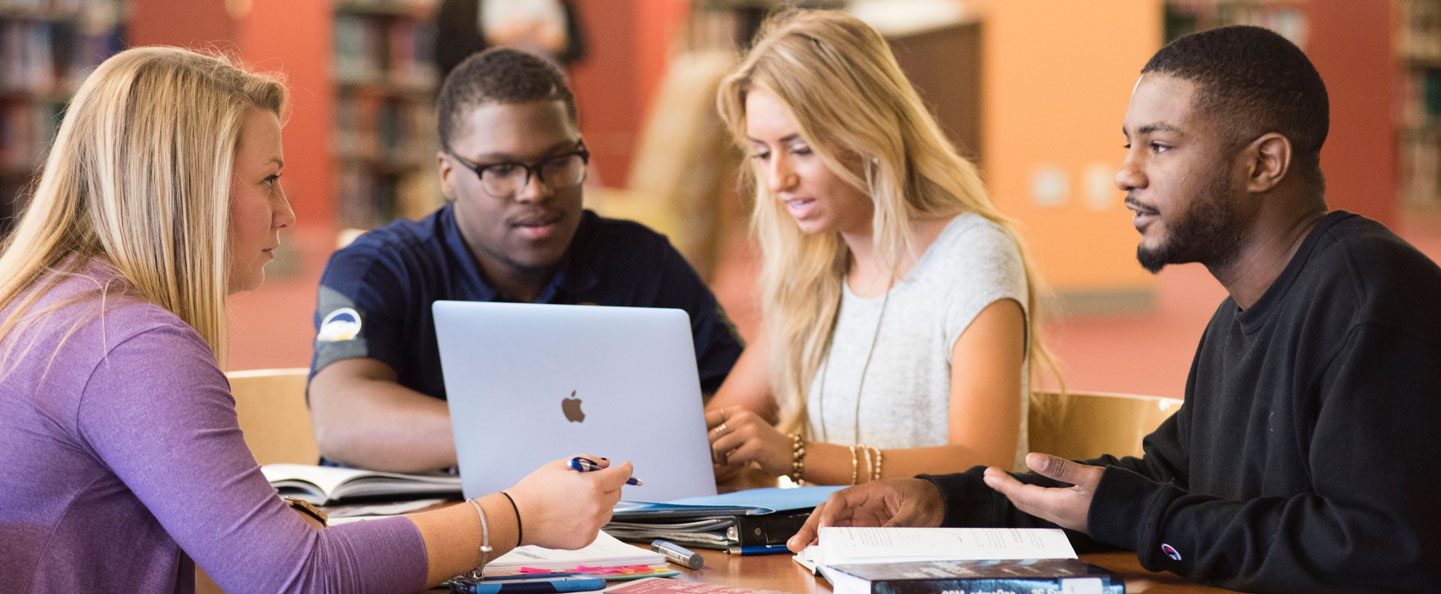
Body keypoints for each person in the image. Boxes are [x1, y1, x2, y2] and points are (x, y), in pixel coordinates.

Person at [788, 25, 1441, 593]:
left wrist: (1143, 515)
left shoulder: (1368, 294)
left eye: (1158, 146)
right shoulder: (1233, 321)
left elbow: (1377, 549)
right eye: (1127, 145)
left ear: (1263, 163)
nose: (1124, 173)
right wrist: (944, 501)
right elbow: (1161, 484)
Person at [0, 46, 633, 593]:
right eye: (269, 180)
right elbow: (299, 579)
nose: (287, 215)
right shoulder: (130, 344)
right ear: (188, 187)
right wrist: (520, 516)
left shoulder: (55, 308)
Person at [308, 48, 744, 473]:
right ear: (448, 175)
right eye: (500, 170)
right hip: (419, 532)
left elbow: (738, 397)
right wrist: (545, 441)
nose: (535, 191)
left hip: (609, 532)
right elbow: (341, 418)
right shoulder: (379, 267)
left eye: (557, 162)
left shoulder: (641, 260)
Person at [703, 10, 1059, 486]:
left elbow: (983, 463)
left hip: (944, 553)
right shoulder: (814, 270)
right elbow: (721, 428)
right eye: (763, 154)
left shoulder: (973, 254)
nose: (777, 180)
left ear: (866, 131)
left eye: (801, 147)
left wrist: (795, 455)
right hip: (826, 548)